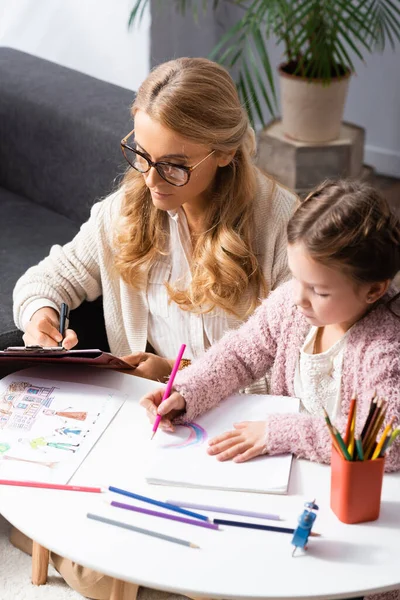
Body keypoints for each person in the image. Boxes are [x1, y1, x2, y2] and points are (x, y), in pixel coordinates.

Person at [11, 57, 296, 600]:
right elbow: (45, 279)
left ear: (227, 153)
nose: (150, 178)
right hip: (150, 428)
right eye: (142, 154)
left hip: (230, 434)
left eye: (174, 165)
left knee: (130, 564)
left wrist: (182, 375)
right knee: (102, 560)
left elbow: (290, 372)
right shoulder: (128, 208)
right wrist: (42, 320)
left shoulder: (280, 228)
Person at [140, 180, 400, 475]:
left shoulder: (386, 348)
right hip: (286, 469)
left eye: (319, 290)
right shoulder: (291, 304)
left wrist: (279, 433)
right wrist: (187, 392)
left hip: (348, 487)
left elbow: (383, 441)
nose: (299, 298)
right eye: (297, 277)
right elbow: (238, 356)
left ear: (374, 290)